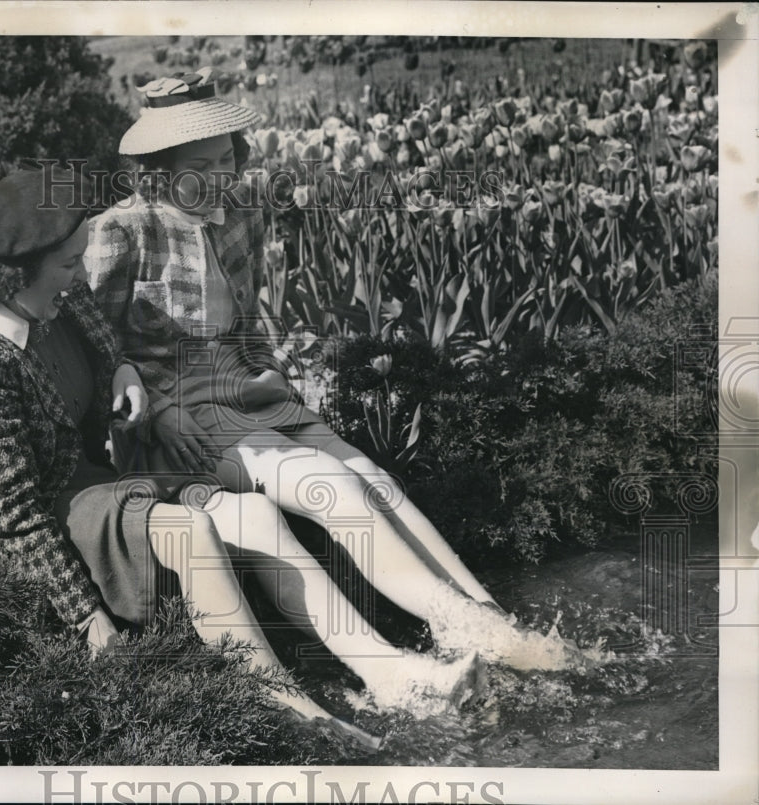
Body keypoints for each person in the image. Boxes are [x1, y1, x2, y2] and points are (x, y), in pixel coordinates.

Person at [0, 167, 487, 748]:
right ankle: (285, 708)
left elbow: (106, 352)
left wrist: (125, 376)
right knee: (190, 528)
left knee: (255, 517)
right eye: (70, 265)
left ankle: (391, 673)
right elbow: (15, 516)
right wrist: (84, 616)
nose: (80, 275)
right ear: (17, 275)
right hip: (42, 523)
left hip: (98, 486)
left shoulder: (56, 296)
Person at [85, 69, 599, 673]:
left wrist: (267, 378)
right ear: (161, 168)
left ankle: (488, 620)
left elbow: (247, 326)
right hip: (176, 422)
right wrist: (154, 408)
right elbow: (96, 347)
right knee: (339, 491)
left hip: (243, 390)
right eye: (205, 164)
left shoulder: (239, 214)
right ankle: (465, 630)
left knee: (373, 477)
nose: (224, 174)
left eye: (227, 156)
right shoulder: (119, 231)